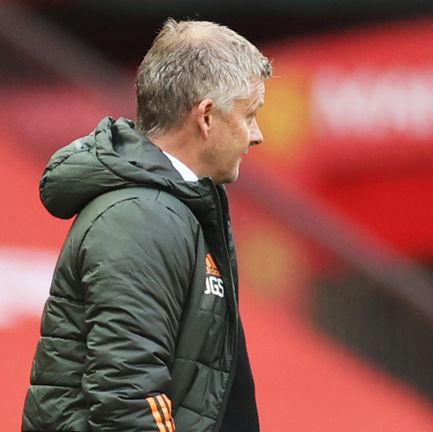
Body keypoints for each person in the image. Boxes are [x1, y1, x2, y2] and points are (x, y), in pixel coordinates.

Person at [22, 19, 270, 431]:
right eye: (250, 115)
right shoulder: (140, 217)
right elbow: (128, 403)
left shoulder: (171, 206)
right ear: (206, 117)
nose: (256, 135)